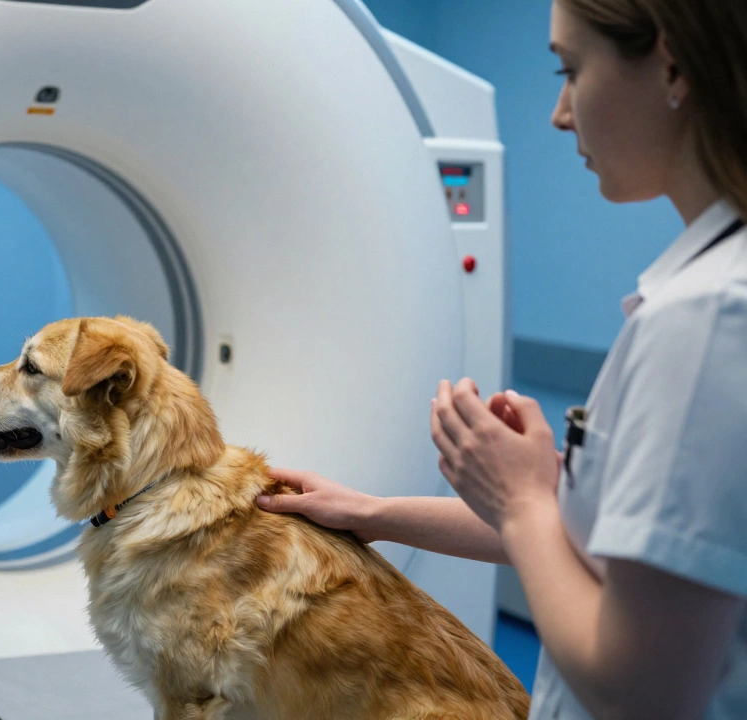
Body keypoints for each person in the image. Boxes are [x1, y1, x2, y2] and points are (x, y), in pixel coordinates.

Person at [257, 1, 747, 718]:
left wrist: (521, 499)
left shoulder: (706, 320)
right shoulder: (710, 294)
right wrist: (371, 512)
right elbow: (597, 549)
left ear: (671, 64)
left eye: (571, 70)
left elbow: (642, 689)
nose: (558, 112)